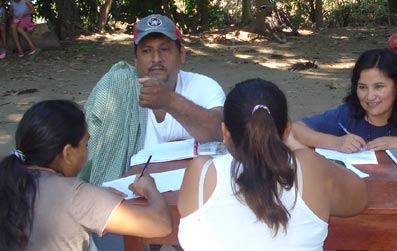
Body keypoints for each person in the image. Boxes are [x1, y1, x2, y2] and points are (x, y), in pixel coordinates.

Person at [178, 78, 367, 251]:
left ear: (225, 132)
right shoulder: (309, 167)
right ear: (286, 130)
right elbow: (359, 198)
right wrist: (297, 147)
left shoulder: (201, 172)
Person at [0, 100, 172, 251]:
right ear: (68, 153)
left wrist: (96, 197)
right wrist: (150, 189)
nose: (86, 151)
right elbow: (161, 225)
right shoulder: (75, 196)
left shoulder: (9, 181)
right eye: (85, 144)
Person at [82, 14, 225, 187]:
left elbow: (220, 133)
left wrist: (170, 101)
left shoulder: (204, 86)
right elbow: (85, 153)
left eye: (164, 49)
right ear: (135, 59)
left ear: (182, 54)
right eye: (146, 51)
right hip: (128, 198)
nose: (156, 59)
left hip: (192, 192)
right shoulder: (118, 88)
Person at [291, 48, 397, 153]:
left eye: (379, 87)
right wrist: (335, 142)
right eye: (362, 87)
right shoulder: (348, 113)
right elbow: (297, 129)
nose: (369, 96)